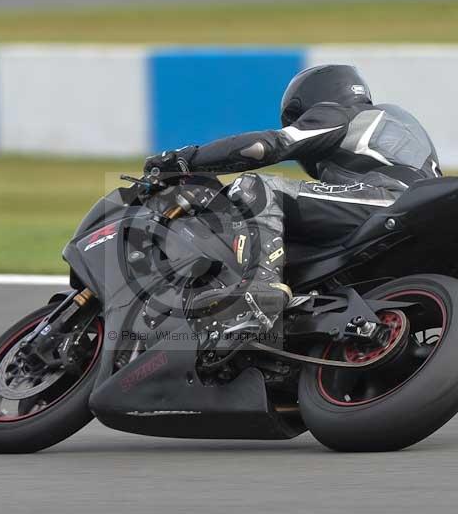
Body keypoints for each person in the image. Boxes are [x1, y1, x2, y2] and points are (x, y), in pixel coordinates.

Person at [143, 64, 442, 327]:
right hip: (413, 220)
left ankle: (259, 288)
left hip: (388, 200)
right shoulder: (394, 130)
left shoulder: (344, 113)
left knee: (256, 187)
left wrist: (188, 159)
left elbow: (264, 147)